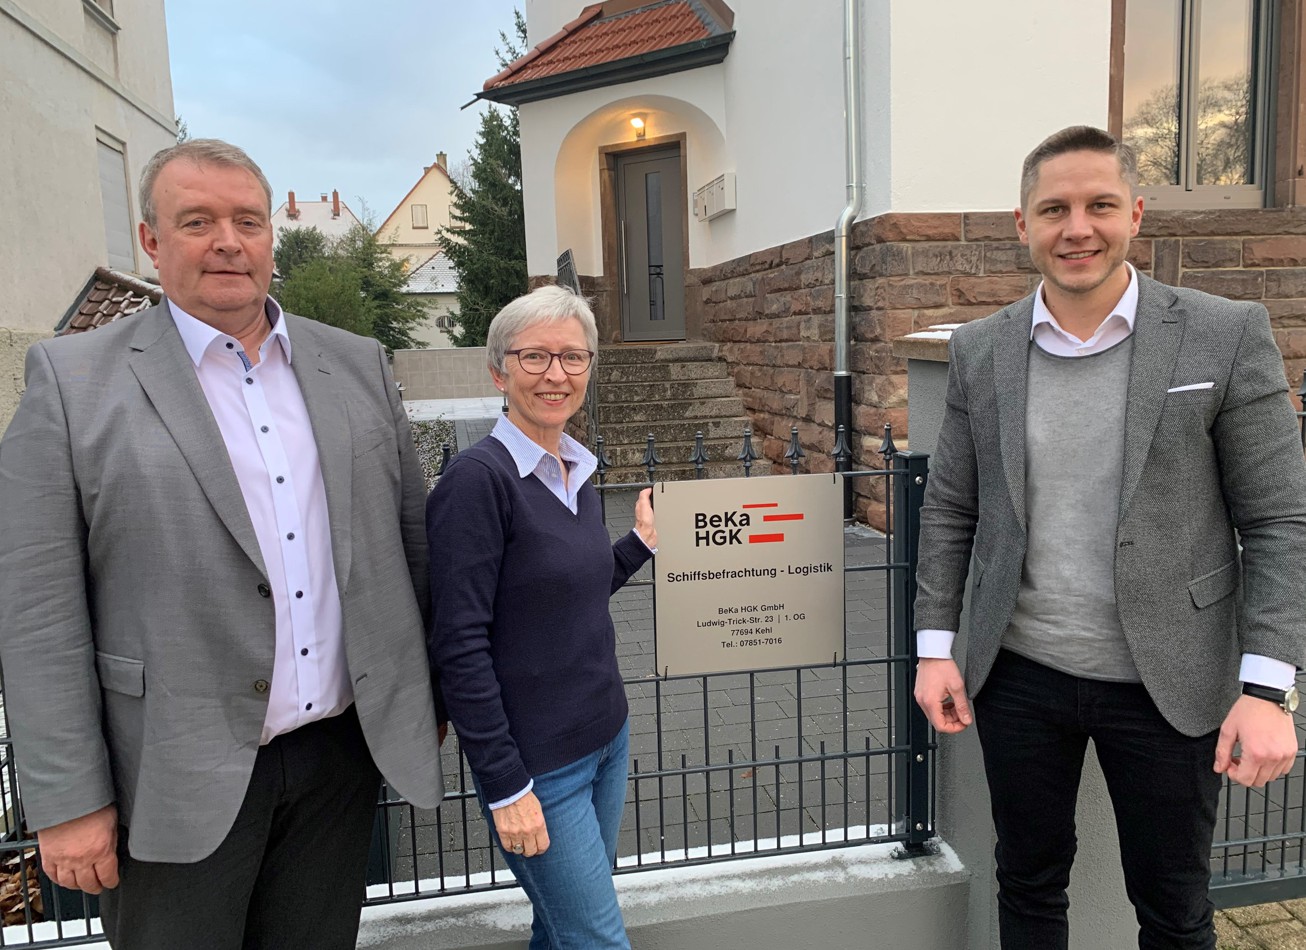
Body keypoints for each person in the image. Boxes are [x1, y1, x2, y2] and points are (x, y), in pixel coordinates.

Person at [0, 139, 444, 949]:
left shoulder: (356, 364)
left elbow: (409, 550)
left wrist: (428, 703)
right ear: (151, 240)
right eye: (197, 221)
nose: (228, 242)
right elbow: (36, 612)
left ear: (272, 235)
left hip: (338, 759)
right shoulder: (73, 383)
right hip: (170, 775)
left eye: (247, 220)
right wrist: (68, 800)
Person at [912, 125, 1306, 949]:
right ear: (1022, 223)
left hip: (1170, 681)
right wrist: (935, 648)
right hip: (1019, 675)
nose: (1077, 228)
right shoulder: (983, 350)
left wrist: (1268, 689)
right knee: (1027, 885)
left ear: (1135, 213)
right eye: (1054, 209)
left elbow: (1280, 520)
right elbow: (950, 506)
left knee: (1173, 910)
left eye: (1099, 205)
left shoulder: (1225, 333)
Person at [426, 285, 655, 949]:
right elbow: (458, 645)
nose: (556, 373)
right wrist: (505, 785)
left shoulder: (574, 470)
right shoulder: (478, 482)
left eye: (572, 357)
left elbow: (566, 592)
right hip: (541, 767)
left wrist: (638, 545)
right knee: (597, 941)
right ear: (499, 372)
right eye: (534, 356)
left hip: (606, 737)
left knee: (559, 933)